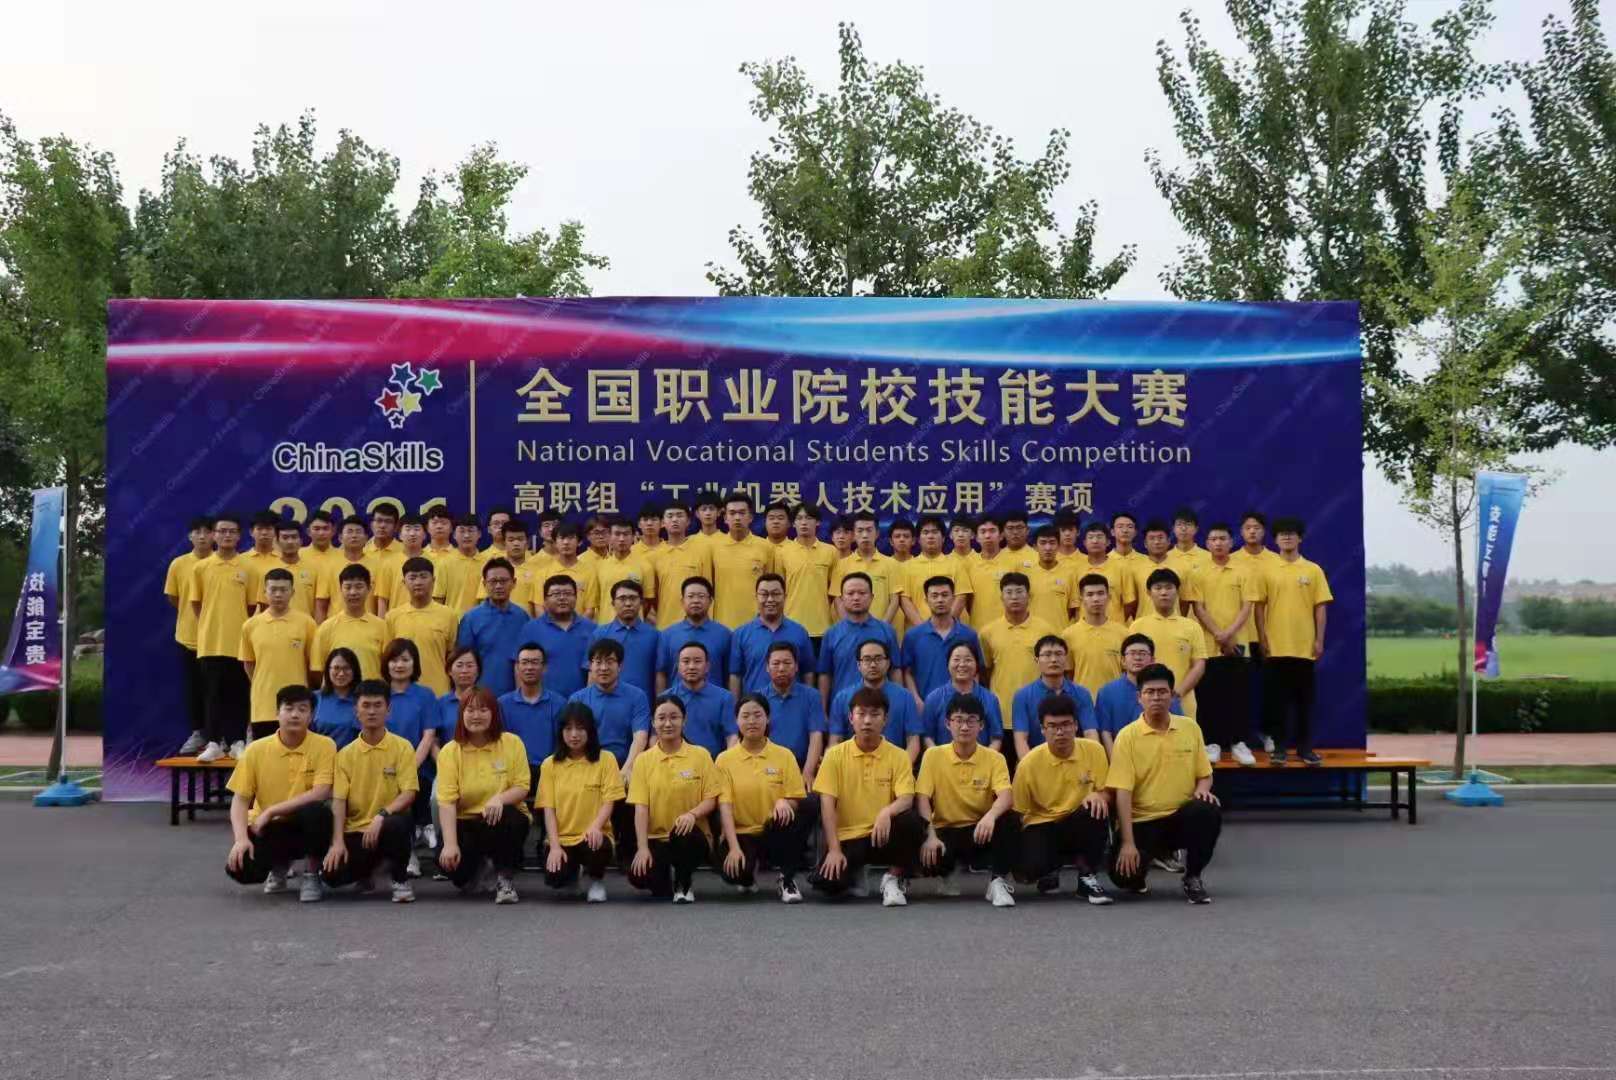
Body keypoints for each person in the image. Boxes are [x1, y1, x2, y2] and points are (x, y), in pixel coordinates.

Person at [1107, 664, 1221, 904]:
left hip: (1179, 817)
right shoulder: (1127, 737)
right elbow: (1123, 793)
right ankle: (1147, 858)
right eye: (1150, 692)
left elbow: (1205, 774)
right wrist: (1128, 843)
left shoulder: (1190, 728)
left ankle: (1193, 876)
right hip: (1142, 821)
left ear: (1172, 695)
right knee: (1123, 878)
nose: (1156, 697)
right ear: (1139, 698)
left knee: (1207, 809)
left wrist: (1202, 791)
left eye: (1162, 691)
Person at [809, 687, 925, 906]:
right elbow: (827, 805)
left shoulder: (899, 756)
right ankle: (854, 872)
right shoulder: (834, 755)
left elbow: (906, 798)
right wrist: (834, 849)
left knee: (911, 821)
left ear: (885, 719)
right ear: (851, 718)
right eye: (861, 714)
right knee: (827, 885)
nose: (867, 721)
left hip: (883, 834)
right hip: (848, 837)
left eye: (875, 714)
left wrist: (886, 812)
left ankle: (893, 878)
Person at [224, 685, 336, 902]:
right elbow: (240, 800)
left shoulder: (325, 745)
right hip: (269, 827)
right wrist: (241, 839)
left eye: (302, 709)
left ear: (311, 715)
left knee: (317, 813)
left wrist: (271, 811)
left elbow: (321, 792)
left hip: (305, 824)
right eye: (289, 708)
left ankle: (311, 874)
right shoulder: (256, 750)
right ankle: (279, 867)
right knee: (241, 869)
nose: (295, 715)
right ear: (277, 713)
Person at [319, 679, 419, 903]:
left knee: (399, 822)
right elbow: (339, 802)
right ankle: (368, 872)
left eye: (377, 705)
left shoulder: (402, 747)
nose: (372, 711)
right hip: (356, 831)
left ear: (388, 710)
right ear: (356, 711)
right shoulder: (345, 754)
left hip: (387, 826)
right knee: (331, 876)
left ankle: (399, 878)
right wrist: (337, 842)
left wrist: (381, 816)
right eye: (366, 705)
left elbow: (409, 793)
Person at [915, 695, 1017, 907]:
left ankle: (997, 882)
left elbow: (1006, 795)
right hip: (945, 831)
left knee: (1010, 819)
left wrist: (990, 816)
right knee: (919, 835)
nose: (964, 727)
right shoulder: (933, 755)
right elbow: (923, 798)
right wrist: (930, 835)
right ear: (947, 723)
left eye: (971, 720)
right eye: (958, 720)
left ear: (981, 725)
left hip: (979, 830)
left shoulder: (994, 758)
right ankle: (946, 874)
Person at [1013, 694, 1114, 904]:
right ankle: (1050, 867)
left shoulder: (1094, 750)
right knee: (1027, 870)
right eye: (1052, 726)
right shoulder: (1028, 763)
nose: (1060, 732)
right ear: (1042, 729)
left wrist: (1099, 794)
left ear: (1076, 725)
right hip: (1044, 825)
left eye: (1066, 724)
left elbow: (1108, 792)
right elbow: (1019, 812)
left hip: (1080, 820)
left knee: (1096, 806)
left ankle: (1087, 877)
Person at [436, 687, 531, 904]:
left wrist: (499, 799)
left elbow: (522, 787)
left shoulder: (512, 743)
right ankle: (479, 866)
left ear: (494, 714)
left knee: (511, 818)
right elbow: (447, 802)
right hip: (466, 822)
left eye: (483, 710)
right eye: (470, 710)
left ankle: (504, 878)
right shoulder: (450, 751)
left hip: (499, 819)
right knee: (452, 867)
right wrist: (450, 844)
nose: (476, 716)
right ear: (461, 715)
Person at [715, 693, 812, 903]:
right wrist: (733, 847)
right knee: (734, 872)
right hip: (742, 833)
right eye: (745, 716)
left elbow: (796, 797)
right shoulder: (724, 760)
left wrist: (785, 801)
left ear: (767, 718)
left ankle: (787, 879)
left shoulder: (784, 755)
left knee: (807, 806)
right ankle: (747, 875)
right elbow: (725, 806)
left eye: (757, 715)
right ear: (736, 721)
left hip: (773, 829)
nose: (751, 721)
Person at [627, 694, 721, 902]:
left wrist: (692, 814)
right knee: (639, 876)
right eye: (661, 718)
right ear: (653, 723)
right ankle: (666, 877)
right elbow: (641, 808)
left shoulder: (700, 755)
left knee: (683, 835)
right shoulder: (643, 760)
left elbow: (711, 799)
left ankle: (683, 881)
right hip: (657, 838)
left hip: (692, 835)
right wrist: (642, 848)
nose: (668, 724)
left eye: (674, 717)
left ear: (684, 720)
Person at [569, 638, 652, 864]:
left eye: (610, 662)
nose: (603, 667)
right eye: (597, 662)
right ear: (590, 666)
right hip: (590, 762)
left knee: (631, 786)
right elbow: (574, 741)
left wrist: (628, 768)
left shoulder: (637, 696)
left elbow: (640, 736)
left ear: (620, 665)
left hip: (625, 762)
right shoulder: (578, 699)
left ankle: (628, 851)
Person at [1259, 516, 1333, 767]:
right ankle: (1279, 749)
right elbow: (1259, 607)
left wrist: (1319, 639)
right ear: (1276, 539)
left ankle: (1305, 748)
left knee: (1304, 702)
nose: (1287, 537)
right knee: (1276, 703)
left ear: (1300, 538)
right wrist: (1263, 637)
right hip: (1275, 647)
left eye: (1291, 533)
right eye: (1282, 534)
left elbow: (1320, 607)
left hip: (1304, 647)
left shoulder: (1313, 570)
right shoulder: (1267, 570)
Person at [191, 511, 261, 762]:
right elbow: (196, 604)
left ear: (239, 536)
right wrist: (212, 624)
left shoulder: (249, 567)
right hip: (210, 643)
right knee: (212, 695)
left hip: (239, 644)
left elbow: (251, 606)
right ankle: (213, 743)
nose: (227, 535)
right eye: (222, 531)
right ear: (213, 535)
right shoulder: (201, 568)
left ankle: (237, 741)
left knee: (239, 694)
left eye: (232, 531)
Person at [538, 703, 626, 903]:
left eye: (580, 728)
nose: (574, 734)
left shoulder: (606, 759)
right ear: (561, 732)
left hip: (593, 835)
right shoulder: (550, 764)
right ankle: (571, 875)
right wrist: (554, 846)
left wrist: (595, 827)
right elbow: (548, 809)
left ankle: (596, 881)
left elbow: (609, 801)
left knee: (596, 845)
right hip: (562, 838)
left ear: (590, 731)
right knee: (555, 877)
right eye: (568, 728)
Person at [1192, 523, 1261, 765]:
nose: (1218, 543)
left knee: (1238, 697)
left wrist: (1228, 634)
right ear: (1207, 544)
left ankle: (1239, 743)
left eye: (1222, 538)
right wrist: (1218, 634)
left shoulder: (1244, 571)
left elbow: (1247, 607)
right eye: (1213, 539)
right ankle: (1212, 743)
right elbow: (1198, 607)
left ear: (1231, 542)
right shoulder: (1198, 572)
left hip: (1238, 644)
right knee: (1209, 696)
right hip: (1208, 645)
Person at [976, 572, 1058, 747]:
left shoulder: (1046, 629)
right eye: (1009, 592)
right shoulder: (987, 632)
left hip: (1039, 710)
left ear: (1029, 596)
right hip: (1002, 711)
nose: (1014, 597)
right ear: (1001, 597)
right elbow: (985, 670)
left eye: (1019, 592)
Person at [381, 638, 441, 870]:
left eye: (405, 660)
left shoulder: (425, 695)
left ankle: (419, 836)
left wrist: (409, 767)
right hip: (383, 766)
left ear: (414, 663)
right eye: (394, 660)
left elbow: (429, 735)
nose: (399, 665)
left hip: (419, 765)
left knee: (414, 785)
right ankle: (408, 853)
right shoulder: (380, 693)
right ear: (386, 663)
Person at [238, 568, 317, 741]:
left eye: (283, 589)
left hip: (297, 706)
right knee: (265, 754)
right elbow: (249, 664)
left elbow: (312, 664)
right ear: (264, 592)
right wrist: (263, 683)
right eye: (273, 589)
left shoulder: (307, 623)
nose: (278, 594)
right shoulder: (250, 626)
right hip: (263, 707)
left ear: (292, 592)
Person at [1231, 509, 1281, 754]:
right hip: (1239, 637)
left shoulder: (1276, 561)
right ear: (1241, 532)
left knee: (1271, 689)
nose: (1252, 531)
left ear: (1264, 531)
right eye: (1248, 527)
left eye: (1257, 528)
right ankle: (1237, 738)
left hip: (1270, 635)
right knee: (1238, 692)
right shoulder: (1231, 560)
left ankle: (1269, 733)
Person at [1128, 568, 1208, 718]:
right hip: (1147, 703)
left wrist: (1177, 694)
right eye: (1158, 588)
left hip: (1183, 702)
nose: (1164, 592)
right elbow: (1131, 665)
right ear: (1149, 593)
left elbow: (1199, 665)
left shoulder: (1192, 626)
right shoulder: (1137, 626)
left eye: (1169, 587)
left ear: (1177, 591)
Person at [829, 639, 922, 763]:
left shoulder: (905, 697)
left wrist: (902, 768)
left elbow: (913, 741)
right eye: (867, 659)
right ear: (858, 665)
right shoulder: (842, 698)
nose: (873, 664)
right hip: (852, 767)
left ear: (888, 663)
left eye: (878, 659)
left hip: (894, 766)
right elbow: (835, 741)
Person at [819, 572, 903, 709]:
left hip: (880, 708)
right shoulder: (832, 634)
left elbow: (895, 670)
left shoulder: (886, 631)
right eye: (850, 593)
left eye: (862, 593)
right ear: (842, 598)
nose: (856, 598)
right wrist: (822, 709)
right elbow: (825, 674)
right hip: (842, 707)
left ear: (872, 597)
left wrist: (898, 704)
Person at [168, 516, 214, 756]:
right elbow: (175, 598)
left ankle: (220, 736)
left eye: (207, 531)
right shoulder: (179, 564)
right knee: (194, 689)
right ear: (190, 536)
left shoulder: (226, 563)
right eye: (198, 532)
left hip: (220, 639)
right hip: (189, 637)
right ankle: (198, 733)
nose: (203, 536)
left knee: (219, 690)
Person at [1010, 635, 1097, 758]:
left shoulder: (1082, 693)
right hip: (1037, 760)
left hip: (1075, 759)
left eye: (1058, 654)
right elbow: (1021, 739)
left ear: (1066, 658)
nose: (1053, 659)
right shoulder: (1023, 696)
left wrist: (1091, 760)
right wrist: (1030, 766)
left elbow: (1090, 733)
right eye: (1047, 655)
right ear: (1036, 660)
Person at [1094, 634, 1181, 757]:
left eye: (1143, 653)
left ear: (1152, 660)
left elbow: (1177, 725)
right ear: (1123, 660)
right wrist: (1116, 761)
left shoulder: (1163, 691)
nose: (1137, 658)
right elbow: (1105, 732)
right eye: (1132, 653)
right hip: (1123, 755)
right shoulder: (1107, 692)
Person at [727, 574, 815, 695]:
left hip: (792, 703)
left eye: (776, 594)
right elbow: (735, 675)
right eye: (764, 594)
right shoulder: (741, 634)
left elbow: (808, 672)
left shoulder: (800, 633)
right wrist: (736, 705)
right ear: (756, 597)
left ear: (785, 596)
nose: (770, 599)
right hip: (754, 703)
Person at [384, 556, 460, 695]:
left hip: (439, 691)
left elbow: (452, 656)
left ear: (434, 580)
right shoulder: (392, 617)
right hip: (403, 692)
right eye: (412, 578)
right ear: (404, 582)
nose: (418, 582)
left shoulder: (449, 615)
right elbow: (388, 658)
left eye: (423, 577)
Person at [454, 558, 530, 696]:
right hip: (481, 697)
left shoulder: (522, 617)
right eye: (493, 581)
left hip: (516, 697)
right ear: (484, 584)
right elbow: (463, 661)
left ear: (514, 583)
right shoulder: (471, 619)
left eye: (503, 581)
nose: (498, 586)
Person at [900, 576, 981, 702]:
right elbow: (907, 672)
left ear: (953, 598)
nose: (940, 600)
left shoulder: (968, 635)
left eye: (945, 595)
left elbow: (976, 672)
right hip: (924, 706)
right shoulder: (913, 636)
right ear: (926, 600)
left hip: (961, 707)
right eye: (935, 596)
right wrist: (916, 700)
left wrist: (970, 699)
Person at [758, 642, 828, 787]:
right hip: (766, 769)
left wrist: (808, 772)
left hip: (801, 767)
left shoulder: (812, 696)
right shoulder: (758, 698)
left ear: (796, 666)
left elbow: (816, 735)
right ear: (767, 667)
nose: (781, 668)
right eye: (776, 663)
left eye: (787, 663)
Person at [521, 575, 597, 700]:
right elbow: (520, 667)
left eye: (567, 593)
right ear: (545, 600)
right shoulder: (531, 629)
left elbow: (594, 671)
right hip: (543, 702)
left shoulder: (592, 629)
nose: (562, 598)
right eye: (556, 594)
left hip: (580, 703)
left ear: (576, 597)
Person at [920, 641, 1004, 751]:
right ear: (948, 664)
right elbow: (927, 736)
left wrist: (983, 759)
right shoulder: (933, 699)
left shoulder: (990, 699)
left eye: (968, 660)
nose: (962, 664)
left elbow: (996, 738)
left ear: (977, 665)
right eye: (956, 660)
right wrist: (940, 758)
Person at [711, 492, 778, 628]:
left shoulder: (766, 547)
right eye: (732, 513)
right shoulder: (713, 547)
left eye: (742, 513)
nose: (737, 518)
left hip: (757, 624)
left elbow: (773, 588)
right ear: (725, 518)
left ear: (751, 517)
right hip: (722, 624)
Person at [654, 575, 732, 692]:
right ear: (682, 601)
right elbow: (661, 673)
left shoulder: (725, 634)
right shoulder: (667, 635)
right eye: (690, 596)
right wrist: (661, 701)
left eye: (701, 596)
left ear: (710, 601)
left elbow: (731, 676)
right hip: (677, 700)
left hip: (714, 700)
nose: (696, 601)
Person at [778, 502, 838, 651]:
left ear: (818, 522)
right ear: (793, 523)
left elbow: (836, 593)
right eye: (799, 518)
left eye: (809, 518)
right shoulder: (782, 552)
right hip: (791, 625)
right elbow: (779, 591)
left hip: (823, 627)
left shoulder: (831, 552)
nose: (804, 522)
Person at [312, 564, 388, 680]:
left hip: (371, 690)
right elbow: (318, 670)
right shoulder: (326, 628)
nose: (353, 592)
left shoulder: (381, 626)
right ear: (340, 589)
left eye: (359, 587)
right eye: (347, 587)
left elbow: (388, 666)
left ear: (369, 589)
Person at [498, 642, 568, 769]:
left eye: (535, 662)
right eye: (524, 662)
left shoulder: (559, 704)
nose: (529, 667)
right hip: (513, 771)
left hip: (549, 771)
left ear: (544, 667)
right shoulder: (502, 704)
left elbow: (563, 745)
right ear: (517, 667)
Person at [895, 515, 971, 631]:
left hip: (952, 631)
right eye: (925, 532)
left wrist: (944, 625)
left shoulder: (956, 564)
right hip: (918, 632)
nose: (930, 536)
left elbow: (961, 597)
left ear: (943, 538)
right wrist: (924, 629)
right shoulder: (906, 567)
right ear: (918, 539)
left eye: (935, 532)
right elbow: (905, 601)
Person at [1061, 573, 1128, 702]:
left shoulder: (1123, 633)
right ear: (1081, 599)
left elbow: (1127, 673)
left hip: (1115, 701)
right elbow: (1068, 675)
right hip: (1082, 702)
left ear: (1109, 597)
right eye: (1090, 594)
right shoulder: (1068, 635)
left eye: (1100, 593)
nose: (1096, 599)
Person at [831, 512, 901, 634]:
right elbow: (837, 599)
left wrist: (882, 627)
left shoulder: (891, 564)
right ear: (853, 535)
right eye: (860, 530)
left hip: (881, 631)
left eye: (869, 530)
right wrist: (850, 626)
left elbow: (894, 600)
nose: (865, 535)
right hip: (851, 632)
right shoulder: (842, 564)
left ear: (877, 533)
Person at [650, 502, 714, 631]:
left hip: (697, 624)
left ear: (688, 521)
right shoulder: (654, 555)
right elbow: (652, 596)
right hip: (665, 626)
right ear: (663, 523)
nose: (674, 519)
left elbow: (709, 590)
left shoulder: (702, 551)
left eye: (679, 515)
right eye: (670, 516)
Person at [590, 580, 661, 695]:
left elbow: (660, 674)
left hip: (644, 702)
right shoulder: (600, 634)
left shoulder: (655, 635)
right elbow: (592, 673)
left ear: (641, 602)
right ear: (613, 603)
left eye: (633, 598)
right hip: (607, 701)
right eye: (622, 599)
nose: (628, 603)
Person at [667, 642, 737, 759]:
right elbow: (657, 736)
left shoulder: (724, 698)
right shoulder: (667, 699)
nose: (691, 666)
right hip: (675, 764)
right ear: (678, 666)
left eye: (697, 661)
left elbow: (732, 736)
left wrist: (725, 763)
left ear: (707, 666)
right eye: (686, 661)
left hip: (714, 764)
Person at [1126, 520, 1198, 620]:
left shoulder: (1183, 567)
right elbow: (1132, 603)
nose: (1157, 542)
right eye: (1152, 538)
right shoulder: (1134, 568)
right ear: (1145, 544)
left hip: (1174, 623)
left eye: (1160, 538)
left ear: (1168, 541)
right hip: (1144, 624)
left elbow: (1184, 601)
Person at [314, 516, 382, 621]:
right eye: (349, 531)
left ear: (366, 538)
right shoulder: (328, 565)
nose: (354, 536)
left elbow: (381, 602)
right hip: (336, 624)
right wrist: (320, 627)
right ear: (340, 538)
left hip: (368, 623)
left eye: (358, 532)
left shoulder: (378, 565)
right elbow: (321, 604)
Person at [595, 517, 658, 626]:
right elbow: (597, 602)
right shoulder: (600, 566)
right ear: (609, 536)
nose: (621, 539)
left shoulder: (645, 566)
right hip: (606, 627)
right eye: (617, 534)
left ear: (634, 537)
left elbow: (648, 600)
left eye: (626, 534)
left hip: (634, 628)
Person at [1077, 521, 1133, 625]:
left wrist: (1116, 622)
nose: (1095, 541)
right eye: (1091, 537)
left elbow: (1130, 602)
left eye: (1099, 537)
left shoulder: (1122, 568)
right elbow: (1073, 604)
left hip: (1115, 628)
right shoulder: (1076, 569)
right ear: (1084, 543)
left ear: (1108, 542)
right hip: (1084, 628)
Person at [1025, 526, 1076, 629]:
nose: (1048, 548)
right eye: (1043, 543)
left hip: (1060, 634)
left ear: (1059, 546)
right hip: (1033, 634)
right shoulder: (1026, 574)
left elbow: (1073, 609)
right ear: (1035, 547)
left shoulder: (1070, 574)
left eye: (1052, 543)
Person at [266, 519, 318, 619]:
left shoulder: (314, 568)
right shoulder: (267, 569)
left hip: (305, 625)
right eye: (285, 538)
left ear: (301, 541)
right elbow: (263, 604)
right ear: (277, 541)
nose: (290, 542)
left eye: (294, 537)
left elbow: (319, 604)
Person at [313, 648, 362, 749]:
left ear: (355, 671)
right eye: (336, 668)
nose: (341, 673)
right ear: (328, 670)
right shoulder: (315, 699)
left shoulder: (363, 700)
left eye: (347, 668)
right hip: (320, 756)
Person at [438, 514, 487, 612]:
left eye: (470, 531)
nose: (466, 535)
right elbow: (438, 599)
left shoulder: (487, 563)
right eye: (462, 531)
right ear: (454, 535)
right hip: (452, 619)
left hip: (480, 619)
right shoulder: (445, 562)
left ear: (479, 534)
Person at [1167, 506, 1211, 584]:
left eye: (1188, 524)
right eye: (1179, 524)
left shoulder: (1209, 557)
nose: (1183, 528)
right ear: (1173, 529)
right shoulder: (1165, 558)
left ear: (1196, 529)